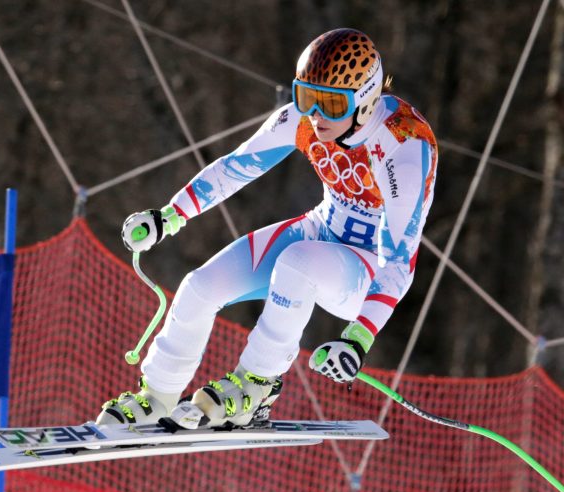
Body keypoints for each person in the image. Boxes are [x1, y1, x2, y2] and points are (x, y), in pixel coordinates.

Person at [97, 28, 438, 429]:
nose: (315, 115)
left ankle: (256, 384)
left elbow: (399, 260)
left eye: (330, 104)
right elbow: (237, 166)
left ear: (364, 104)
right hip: (320, 229)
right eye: (306, 97)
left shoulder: (404, 144)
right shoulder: (306, 119)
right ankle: (156, 395)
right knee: (199, 287)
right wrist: (169, 217)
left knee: (297, 261)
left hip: (365, 269)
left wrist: (358, 338)